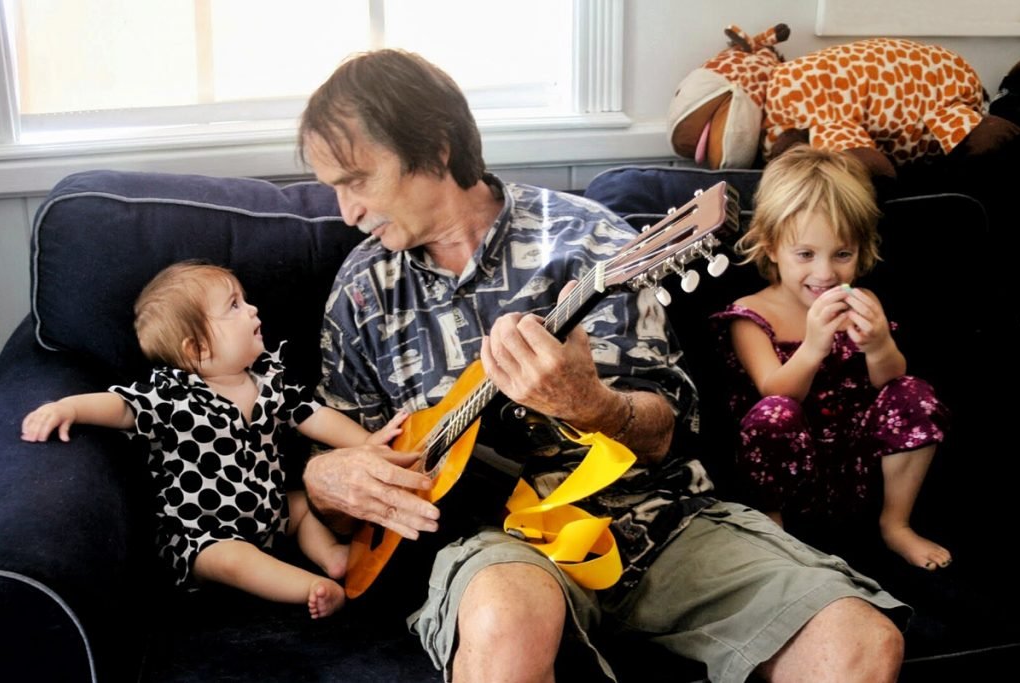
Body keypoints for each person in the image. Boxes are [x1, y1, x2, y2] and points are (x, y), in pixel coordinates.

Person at [298, 49, 910, 682]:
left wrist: (591, 405)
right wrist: (328, 481)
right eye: (334, 189)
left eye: (357, 180)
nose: (347, 212)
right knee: (508, 621)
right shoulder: (364, 287)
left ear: (436, 146)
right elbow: (351, 461)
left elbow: (668, 431)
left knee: (858, 642)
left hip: (658, 523)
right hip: (498, 545)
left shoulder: (590, 241)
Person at [20, 260, 405, 619]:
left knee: (305, 506)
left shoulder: (268, 383)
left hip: (270, 512)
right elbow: (121, 406)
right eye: (235, 306)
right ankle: (311, 587)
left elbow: (316, 417)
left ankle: (332, 558)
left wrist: (368, 444)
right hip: (204, 534)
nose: (252, 309)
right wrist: (68, 408)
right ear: (198, 348)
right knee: (232, 560)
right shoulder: (174, 395)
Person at [711, 146, 951, 572]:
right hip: (787, 472)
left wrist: (878, 345)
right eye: (805, 254)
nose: (825, 275)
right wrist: (815, 344)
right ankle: (774, 530)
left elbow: (890, 382)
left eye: (842, 254)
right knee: (774, 413)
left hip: (856, 468)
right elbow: (774, 390)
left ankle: (895, 523)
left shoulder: (863, 301)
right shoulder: (751, 315)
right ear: (771, 248)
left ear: (862, 250)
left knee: (914, 392)